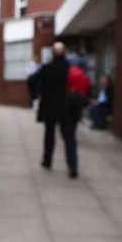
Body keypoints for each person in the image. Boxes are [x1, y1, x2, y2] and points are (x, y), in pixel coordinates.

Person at [28, 42, 86, 179]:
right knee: (69, 137)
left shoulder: (47, 68)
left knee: (49, 134)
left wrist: (34, 95)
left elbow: (31, 79)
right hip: (69, 107)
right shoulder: (70, 68)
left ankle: (47, 161)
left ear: (53, 54)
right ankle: (73, 166)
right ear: (65, 54)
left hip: (50, 107)